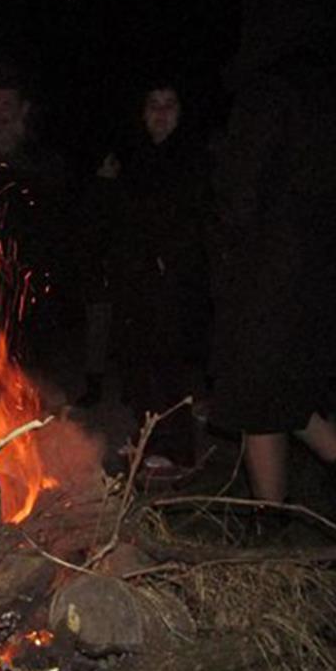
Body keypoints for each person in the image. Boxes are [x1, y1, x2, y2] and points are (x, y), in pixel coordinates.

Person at [209, 0, 336, 521]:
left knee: (259, 394)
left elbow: (239, 194)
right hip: (329, 272)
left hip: (271, 274)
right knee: (293, 391)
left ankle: (271, 523)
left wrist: (223, 235)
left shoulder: (269, 90)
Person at [99, 80, 212, 472]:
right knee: (137, 360)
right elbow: (120, 217)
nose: (161, 113)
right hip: (134, 276)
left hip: (172, 279)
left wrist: (171, 258)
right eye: (153, 104)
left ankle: (177, 447)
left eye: (170, 104)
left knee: (167, 362)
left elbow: (195, 218)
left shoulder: (193, 156)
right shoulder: (134, 155)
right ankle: (147, 435)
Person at [0, 74, 70, 372]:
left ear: (23, 110)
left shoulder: (45, 163)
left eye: (7, 105)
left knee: (23, 376)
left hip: (30, 291)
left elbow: (59, 228)